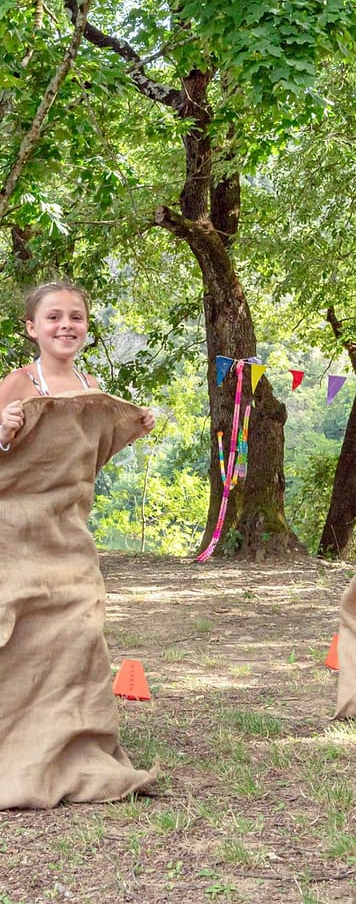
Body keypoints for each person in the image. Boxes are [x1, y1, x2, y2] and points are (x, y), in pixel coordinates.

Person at [0, 281, 158, 809]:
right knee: (20, 634)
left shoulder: (92, 388)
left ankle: (74, 744)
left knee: (80, 632)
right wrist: (5, 429)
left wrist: (130, 427)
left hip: (69, 533)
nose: (66, 325)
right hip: (15, 531)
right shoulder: (18, 382)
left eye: (76, 317)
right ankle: (17, 746)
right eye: (53, 317)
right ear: (32, 328)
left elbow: (87, 458)